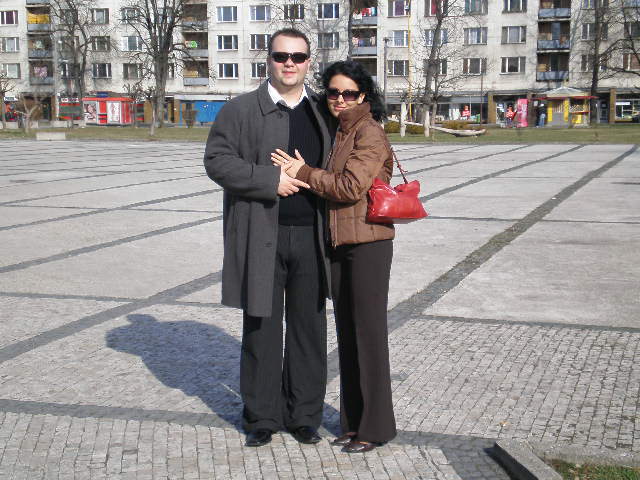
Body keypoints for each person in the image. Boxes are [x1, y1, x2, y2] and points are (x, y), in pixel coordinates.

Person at [202, 29, 333, 448]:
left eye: (298, 56)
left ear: (309, 61)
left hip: (312, 237)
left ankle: (304, 416)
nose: (289, 63)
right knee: (261, 326)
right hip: (261, 234)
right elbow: (217, 161)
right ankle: (261, 416)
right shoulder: (240, 109)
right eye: (281, 56)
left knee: (309, 328)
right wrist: (268, 180)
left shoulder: (323, 111)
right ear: (269, 59)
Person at [271, 61, 396, 453]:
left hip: (369, 244)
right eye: (333, 92)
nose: (340, 99)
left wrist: (303, 172)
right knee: (349, 335)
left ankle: (376, 428)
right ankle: (353, 423)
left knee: (369, 336)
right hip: (341, 244)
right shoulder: (340, 131)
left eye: (349, 93)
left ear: (363, 96)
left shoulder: (369, 132)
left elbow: (349, 187)